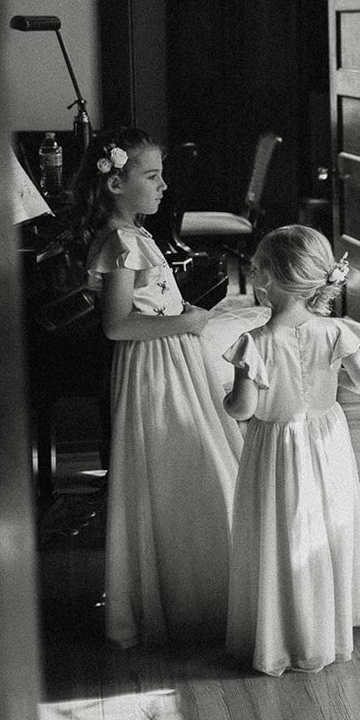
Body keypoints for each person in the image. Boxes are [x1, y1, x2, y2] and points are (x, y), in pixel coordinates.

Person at [76, 127, 244, 647]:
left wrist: (184, 320)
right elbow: (118, 324)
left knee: (194, 465)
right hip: (154, 367)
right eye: (151, 176)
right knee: (178, 471)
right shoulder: (122, 240)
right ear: (115, 183)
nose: (163, 186)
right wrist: (188, 322)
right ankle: (195, 595)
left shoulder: (134, 233)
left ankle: (211, 587)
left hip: (171, 360)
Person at [221, 224, 360, 675]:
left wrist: (225, 397)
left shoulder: (255, 344)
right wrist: (335, 375)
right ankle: (326, 625)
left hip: (277, 450)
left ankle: (284, 632)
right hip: (327, 444)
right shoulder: (335, 332)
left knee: (282, 533)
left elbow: (241, 409)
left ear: (266, 279)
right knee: (325, 528)